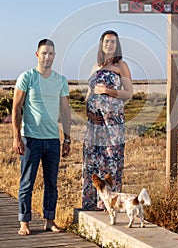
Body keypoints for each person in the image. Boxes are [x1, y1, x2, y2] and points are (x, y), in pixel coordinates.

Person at [12, 39, 71, 235]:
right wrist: (16, 137)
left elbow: (65, 111)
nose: (47, 57)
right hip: (30, 139)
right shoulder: (27, 77)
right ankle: (24, 222)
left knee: (52, 183)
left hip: (53, 140)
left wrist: (67, 138)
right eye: (44, 53)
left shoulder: (60, 80)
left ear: (55, 56)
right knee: (27, 182)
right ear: (37, 54)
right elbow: (17, 108)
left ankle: (49, 220)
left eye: (51, 53)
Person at [82, 30, 133, 210]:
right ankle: (91, 203)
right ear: (101, 44)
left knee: (111, 160)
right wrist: (88, 112)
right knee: (93, 160)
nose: (109, 45)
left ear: (117, 45)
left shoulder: (121, 65)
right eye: (106, 41)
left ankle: (109, 203)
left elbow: (129, 93)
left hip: (112, 122)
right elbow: (90, 93)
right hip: (94, 124)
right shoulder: (95, 67)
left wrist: (108, 92)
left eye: (113, 42)